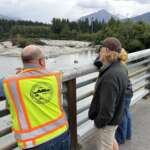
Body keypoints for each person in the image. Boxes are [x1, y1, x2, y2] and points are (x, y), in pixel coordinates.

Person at [0, 45, 70, 150]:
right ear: (42, 61)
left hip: (34, 143)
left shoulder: (9, 82)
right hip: (61, 134)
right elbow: (40, 74)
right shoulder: (55, 77)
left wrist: (21, 73)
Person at [88, 37, 128, 150]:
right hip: (116, 117)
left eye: (101, 48)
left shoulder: (110, 77)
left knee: (105, 146)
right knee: (111, 141)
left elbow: (107, 110)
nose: (99, 51)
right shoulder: (121, 66)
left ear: (106, 51)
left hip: (107, 124)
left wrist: (98, 123)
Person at [115, 49, 133, 144]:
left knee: (122, 116)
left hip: (124, 93)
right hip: (129, 92)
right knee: (126, 113)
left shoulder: (119, 65)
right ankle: (128, 134)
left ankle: (120, 139)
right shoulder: (123, 64)